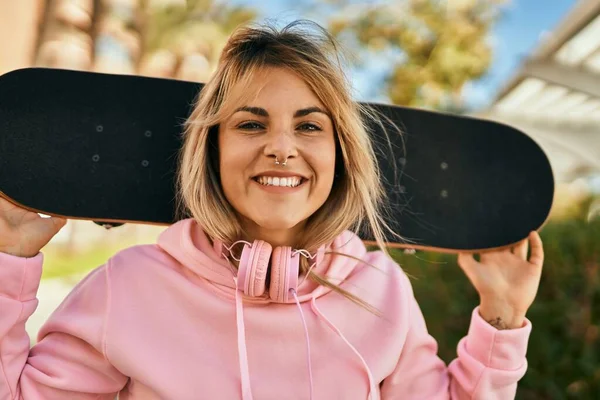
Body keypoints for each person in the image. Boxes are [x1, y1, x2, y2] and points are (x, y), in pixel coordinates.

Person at [0, 20, 544, 400]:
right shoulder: (129, 286)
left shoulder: (381, 288)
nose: (282, 147)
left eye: (309, 126)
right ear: (211, 150)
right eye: (251, 124)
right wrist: (9, 263)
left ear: (340, 155)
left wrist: (501, 315)